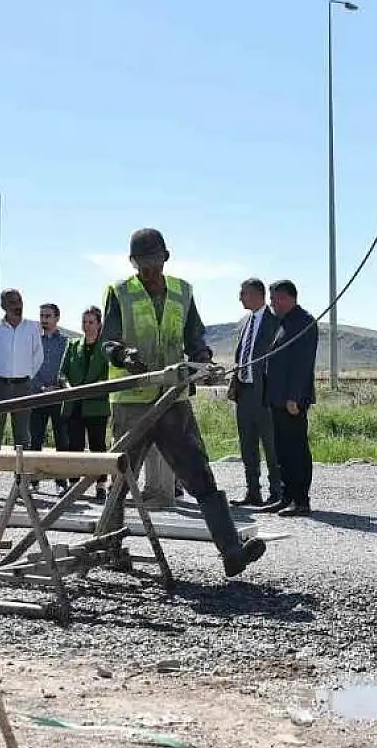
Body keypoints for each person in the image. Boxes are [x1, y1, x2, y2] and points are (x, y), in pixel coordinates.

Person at [100, 227, 267, 577]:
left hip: (172, 400)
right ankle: (109, 549)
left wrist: (203, 358)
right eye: (141, 264)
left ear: (166, 257)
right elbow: (108, 342)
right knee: (120, 477)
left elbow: (195, 337)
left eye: (153, 262)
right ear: (132, 262)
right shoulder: (119, 292)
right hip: (132, 401)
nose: (148, 271)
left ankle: (231, 551)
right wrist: (123, 355)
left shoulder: (182, 292)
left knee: (199, 472)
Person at [0, 288, 42, 497]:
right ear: (3, 306)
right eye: (12, 302)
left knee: (23, 437)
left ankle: (21, 486)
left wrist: (26, 376)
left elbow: (37, 356)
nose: (17, 305)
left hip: (23, 386)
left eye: (20, 300)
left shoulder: (31, 327)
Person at [261, 280, 318, 517]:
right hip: (278, 398)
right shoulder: (284, 323)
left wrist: (293, 397)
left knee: (296, 449)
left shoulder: (304, 322)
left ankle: (301, 500)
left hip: (292, 400)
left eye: (274, 299)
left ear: (287, 298)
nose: (272, 303)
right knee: (282, 449)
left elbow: (302, 364)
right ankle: (286, 496)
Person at [228, 277, 281, 507]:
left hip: (265, 394)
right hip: (245, 392)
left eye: (244, 293)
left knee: (271, 444)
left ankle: (277, 492)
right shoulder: (245, 323)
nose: (240, 298)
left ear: (258, 295)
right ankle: (253, 491)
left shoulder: (274, 322)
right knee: (247, 444)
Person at [59, 305, 112, 500]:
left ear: (99, 325)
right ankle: (73, 484)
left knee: (98, 445)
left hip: (96, 404)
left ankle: (100, 484)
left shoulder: (106, 347)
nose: (87, 326)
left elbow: (108, 375)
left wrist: (93, 388)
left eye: (91, 322)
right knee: (74, 444)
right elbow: (62, 373)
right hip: (74, 403)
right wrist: (68, 388)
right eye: (84, 322)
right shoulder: (72, 345)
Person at [26, 303, 70, 472]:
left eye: (48, 316)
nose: (44, 320)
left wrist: (58, 387)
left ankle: (61, 479)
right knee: (35, 439)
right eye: (42, 316)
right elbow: (29, 368)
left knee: (62, 439)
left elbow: (67, 368)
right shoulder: (34, 342)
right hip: (37, 396)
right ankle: (34, 478)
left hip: (59, 397)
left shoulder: (67, 343)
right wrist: (42, 388)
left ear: (57, 318)